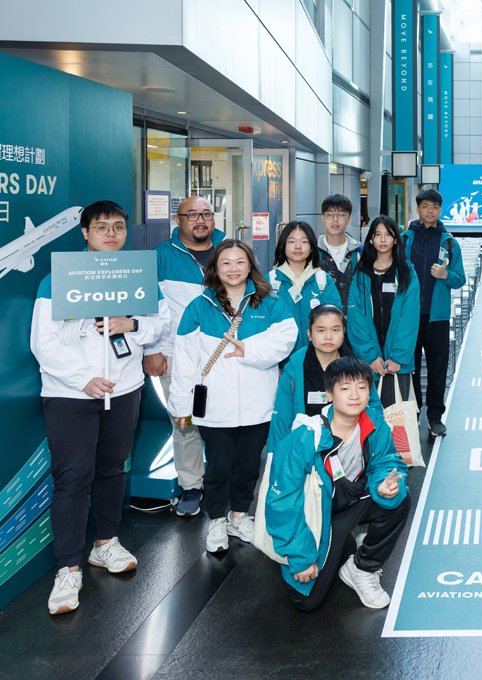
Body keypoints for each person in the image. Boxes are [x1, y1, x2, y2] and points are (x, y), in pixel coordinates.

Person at [31, 200, 170, 615]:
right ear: (85, 233)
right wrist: (82, 379)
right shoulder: (59, 278)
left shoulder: (138, 275)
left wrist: (134, 324)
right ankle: (68, 568)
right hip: (71, 394)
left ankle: (105, 544)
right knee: (73, 478)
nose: (111, 233)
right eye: (102, 227)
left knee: (112, 469)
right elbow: (44, 342)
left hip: (124, 388)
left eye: (119, 227)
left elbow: (162, 323)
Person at [167, 239, 298, 553]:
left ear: (250, 265)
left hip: (258, 405)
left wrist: (248, 350)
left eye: (240, 262)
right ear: (215, 268)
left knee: (248, 465)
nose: (234, 268)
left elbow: (286, 340)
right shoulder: (199, 307)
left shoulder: (269, 303)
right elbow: (185, 361)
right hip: (215, 406)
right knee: (218, 466)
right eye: (226, 262)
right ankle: (216, 520)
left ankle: (239, 516)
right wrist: (181, 405)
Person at [265, 356, 410, 612]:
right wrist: (300, 559)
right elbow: (282, 504)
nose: (354, 395)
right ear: (329, 395)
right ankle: (320, 548)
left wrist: (383, 484)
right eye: (345, 388)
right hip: (318, 516)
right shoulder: (304, 438)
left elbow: (388, 461)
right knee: (307, 602)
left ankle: (361, 567)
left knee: (400, 500)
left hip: (351, 501)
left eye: (362, 387)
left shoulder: (375, 424)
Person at [144, 195, 226, 517]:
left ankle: (223, 484)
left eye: (206, 213)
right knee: (185, 422)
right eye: (192, 215)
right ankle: (192, 485)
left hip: (224, 353)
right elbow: (148, 306)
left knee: (225, 422)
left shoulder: (229, 249)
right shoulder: (160, 257)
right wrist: (154, 350)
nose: (200, 220)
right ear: (177, 220)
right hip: (177, 355)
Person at [268, 304, 382, 453]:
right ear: (309, 334)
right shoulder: (293, 370)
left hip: (350, 450)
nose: (328, 336)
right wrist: (276, 461)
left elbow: (374, 411)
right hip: (306, 452)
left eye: (335, 330)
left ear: (343, 332)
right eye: (321, 330)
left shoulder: (358, 369)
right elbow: (281, 422)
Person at [403, 189, 467, 437]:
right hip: (408, 316)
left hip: (437, 316)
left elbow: (459, 278)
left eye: (435, 207)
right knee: (411, 367)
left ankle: (435, 416)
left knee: (438, 366)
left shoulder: (449, 241)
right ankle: (414, 412)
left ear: (440, 210)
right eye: (425, 206)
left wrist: (445, 275)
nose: (430, 211)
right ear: (417, 209)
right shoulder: (405, 239)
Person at [348, 215, 420, 407]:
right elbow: (356, 319)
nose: (382, 239)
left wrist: (397, 358)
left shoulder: (407, 274)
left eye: (387, 234)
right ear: (370, 238)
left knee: (396, 425)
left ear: (396, 238)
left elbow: (409, 320)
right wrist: (370, 356)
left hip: (398, 364)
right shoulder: (361, 274)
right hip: (369, 363)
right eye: (377, 234)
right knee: (368, 422)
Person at [269, 221, 340, 354]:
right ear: (283, 245)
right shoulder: (270, 281)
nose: (297, 247)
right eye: (291, 242)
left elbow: (336, 322)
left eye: (304, 242)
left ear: (312, 247)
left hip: (319, 360)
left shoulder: (322, 280)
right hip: (280, 361)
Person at [317, 194, 362, 310]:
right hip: (321, 322)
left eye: (341, 214)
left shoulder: (359, 252)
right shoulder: (313, 252)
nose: (335, 219)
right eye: (330, 214)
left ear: (349, 219)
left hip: (353, 321)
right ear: (323, 218)